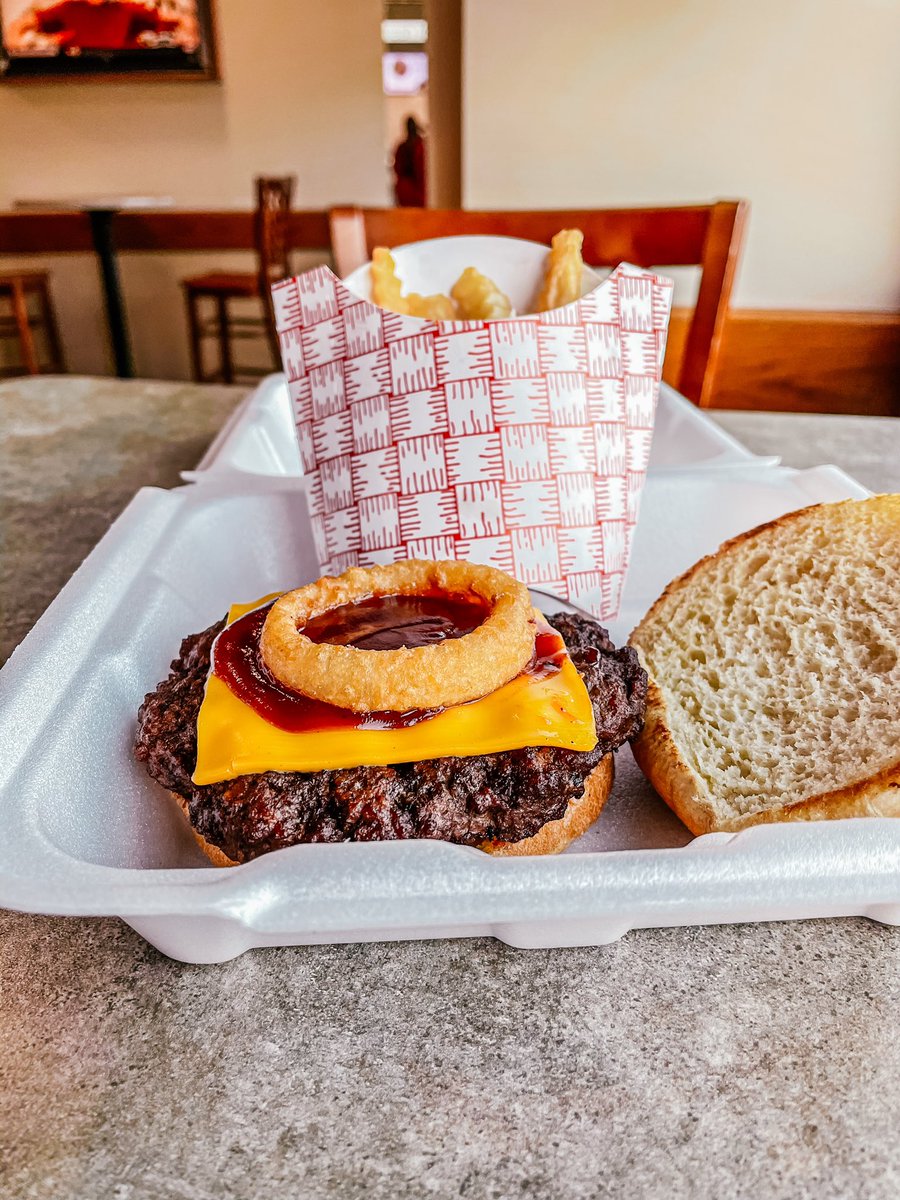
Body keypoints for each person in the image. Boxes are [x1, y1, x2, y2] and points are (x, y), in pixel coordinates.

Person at [393, 116, 427, 208]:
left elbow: (397, 168)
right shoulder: (420, 145)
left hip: (409, 190)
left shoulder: (416, 146)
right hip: (414, 190)